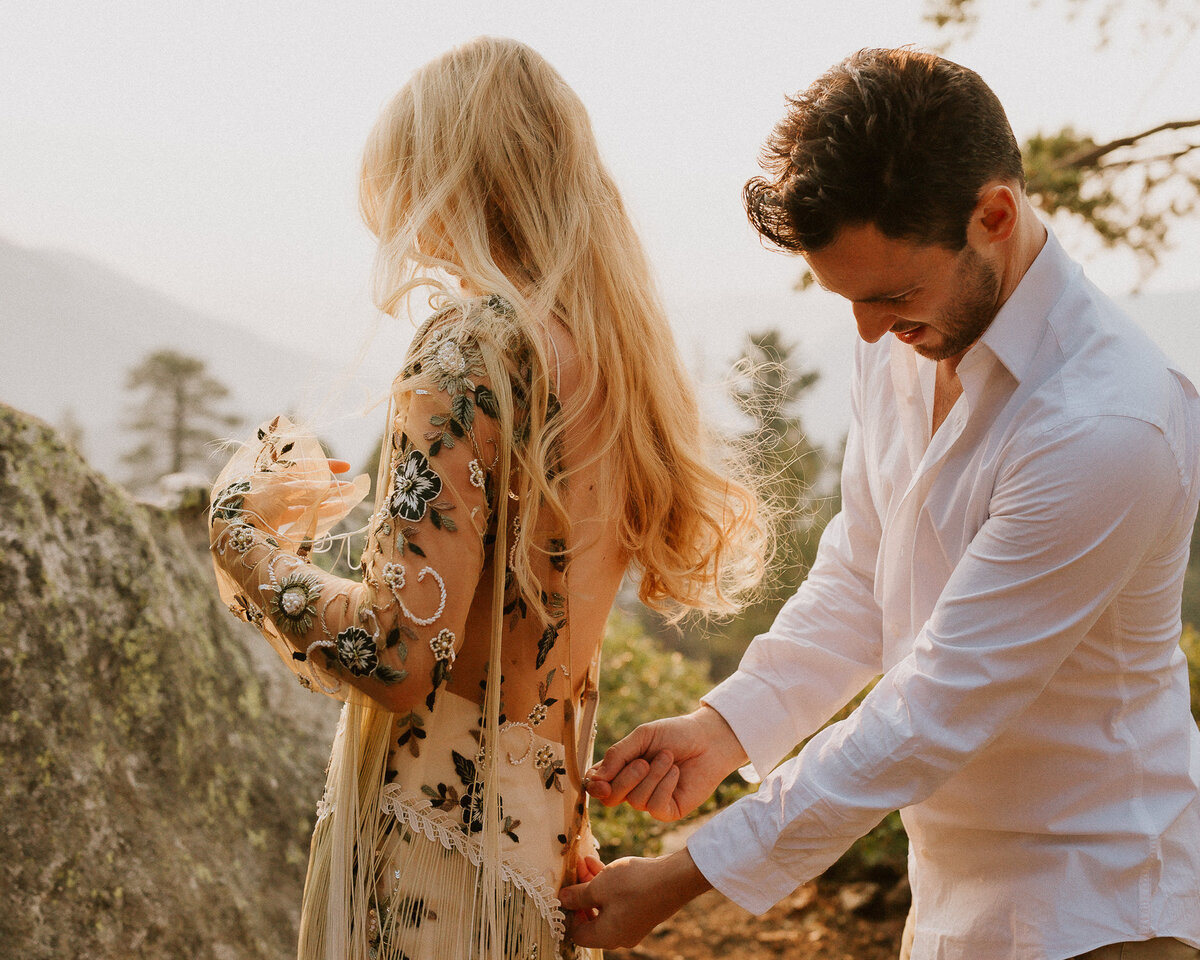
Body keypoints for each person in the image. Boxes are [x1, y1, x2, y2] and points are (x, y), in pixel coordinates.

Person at [561, 47, 1200, 960]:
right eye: (851, 300)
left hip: (1101, 910)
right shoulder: (902, 330)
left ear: (995, 214)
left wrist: (686, 873)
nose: (869, 332)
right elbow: (866, 571)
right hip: (949, 909)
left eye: (892, 295)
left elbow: (932, 708)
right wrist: (727, 726)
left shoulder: (1111, 423)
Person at [207, 37, 766, 960]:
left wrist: (239, 535)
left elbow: (396, 652)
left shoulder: (472, 352)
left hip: (427, 864)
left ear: (447, 177)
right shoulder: (617, 365)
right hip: (538, 849)